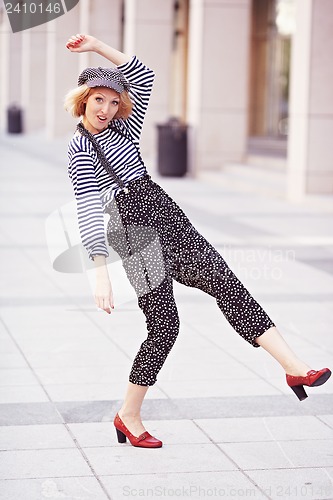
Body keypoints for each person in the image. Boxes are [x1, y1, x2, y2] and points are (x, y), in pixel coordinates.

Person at [64, 33, 331, 449]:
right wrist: (100, 275)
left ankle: (294, 366)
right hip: (131, 232)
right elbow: (86, 208)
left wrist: (97, 45)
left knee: (227, 283)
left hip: (165, 213)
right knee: (165, 326)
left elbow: (143, 73)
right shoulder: (80, 145)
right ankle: (128, 414)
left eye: (114, 101)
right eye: (98, 100)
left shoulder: (125, 128)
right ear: (83, 100)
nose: (107, 108)